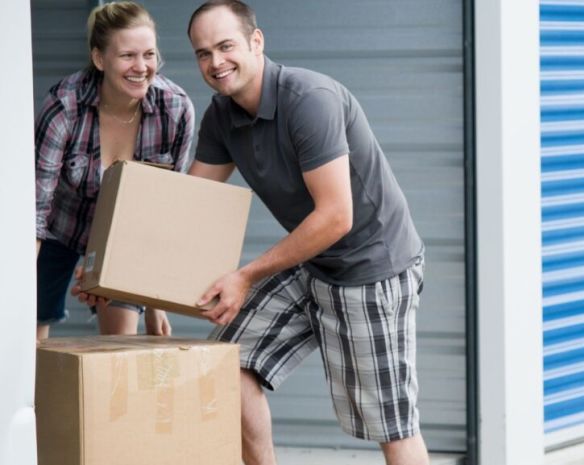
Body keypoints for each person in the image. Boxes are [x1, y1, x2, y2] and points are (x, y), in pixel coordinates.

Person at [186, 1, 429, 464]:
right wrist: (115, 271)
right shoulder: (222, 115)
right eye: (203, 53)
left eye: (225, 46)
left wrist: (245, 276)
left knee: (391, 422)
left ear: (257, 42)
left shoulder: (308, 100)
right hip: (313, 261)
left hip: (372, 266)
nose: (215, 62)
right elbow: (189, 201)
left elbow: (336, 217)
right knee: (227, 361)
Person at [34, 1, 195, 340]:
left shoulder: (175, 109)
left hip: (123, 235)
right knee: (29, 334)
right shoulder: (64, 107)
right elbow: (36, 208)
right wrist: (21, 288)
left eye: (149, 54)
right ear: (99, 59)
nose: (141, 67)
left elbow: (165, 207)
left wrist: (155, 301)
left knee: (121, 341)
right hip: (56, 229)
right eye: (127, 56)